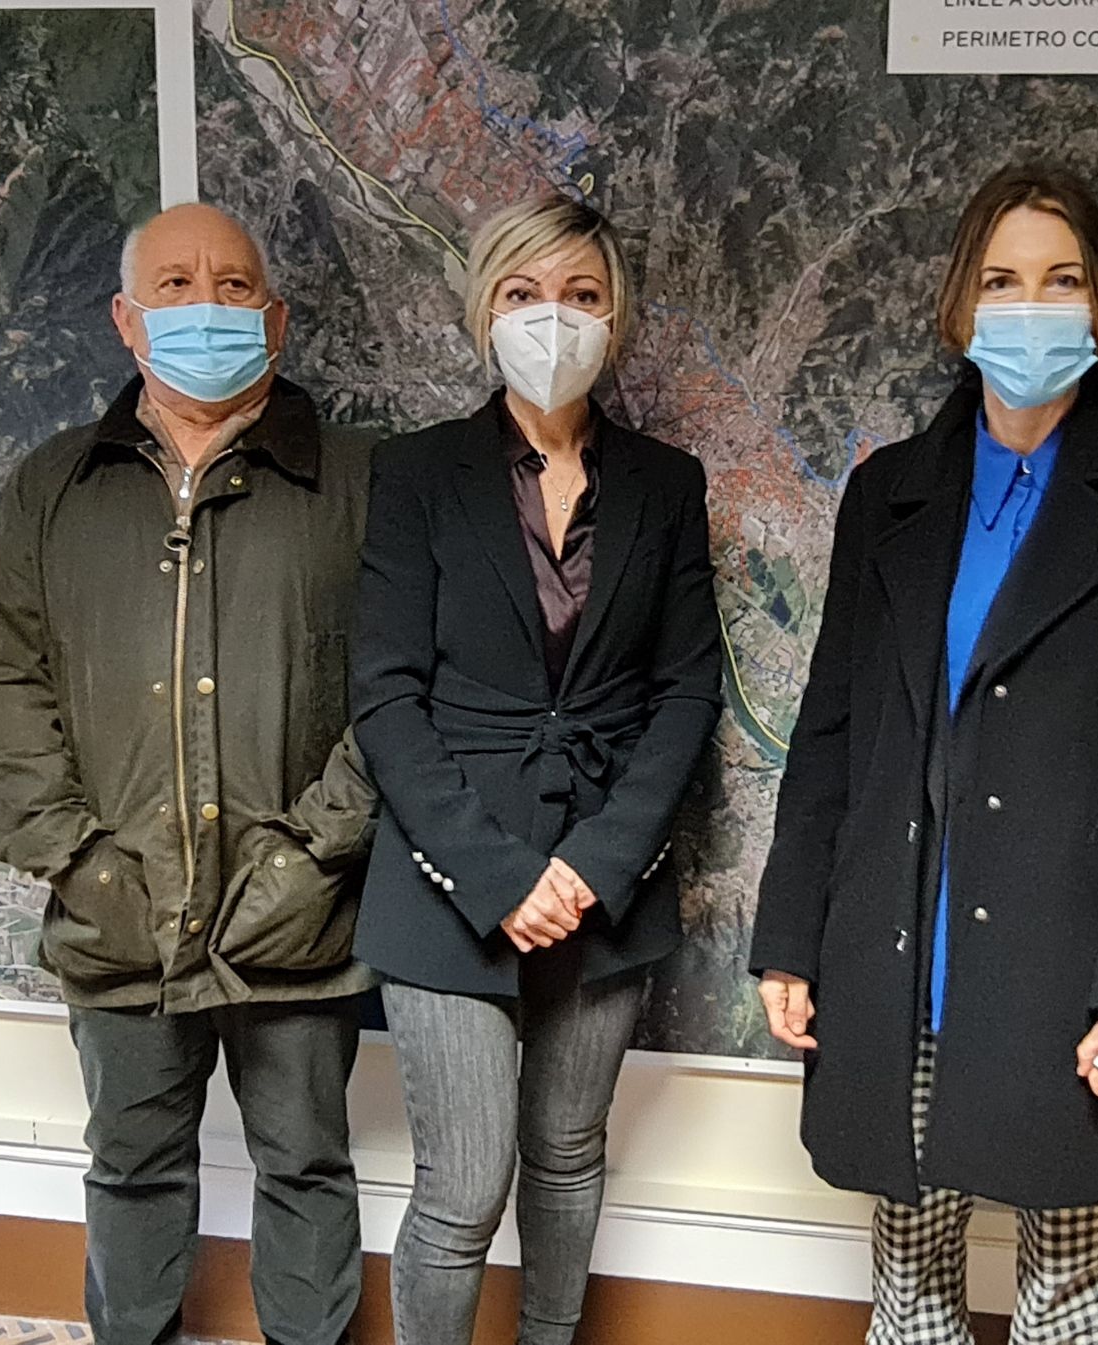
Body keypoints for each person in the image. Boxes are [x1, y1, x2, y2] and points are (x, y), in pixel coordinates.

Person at [748, 164, 1098, 1344]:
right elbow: (831, 730)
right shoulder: (887, 492)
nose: (1030, 307)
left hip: (1073, 971)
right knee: (910, 1289)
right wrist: (789, 936)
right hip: (897, 956)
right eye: (1001, 280)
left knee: (1065, 1299)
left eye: (1061, 280)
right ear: (960, 306)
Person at [0, 202, 377, 1345]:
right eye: (177, 284)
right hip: (117, 915)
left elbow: (398, 690)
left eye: (234, 285)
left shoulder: (362, 483)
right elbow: (8, 683)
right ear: (126, 318)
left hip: (302, 918)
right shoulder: (53, 488)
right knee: (131, 1166)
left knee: (307, 1162)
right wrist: (79, 862)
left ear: (275, 318)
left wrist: (314, 853)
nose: (208, 305)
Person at [350, 195, 724, 1345]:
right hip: (448, 882)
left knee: (565, 1157)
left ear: (615, 317)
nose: (551, 318)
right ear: (483, 311)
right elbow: (385, 696)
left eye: (580, 295)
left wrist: (595, 864)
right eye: (523, 293)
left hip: (605, 881)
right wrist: (500, 875)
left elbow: (686, 690)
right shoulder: (416, 473)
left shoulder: (666, 483)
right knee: (463, 1190)